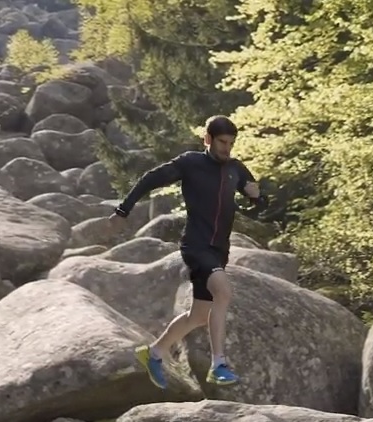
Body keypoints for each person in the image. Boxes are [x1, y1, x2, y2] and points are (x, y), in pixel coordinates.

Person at [108, 115, 266, 389]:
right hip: (196, 246)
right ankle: (219, 365)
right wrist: (124, 209)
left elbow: (259, 207)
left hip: (219, 250)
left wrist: (257, 196)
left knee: (200, 316)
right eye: (221, 142)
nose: (226, 148)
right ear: (207, 139)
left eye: (231, 143)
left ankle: (155, 352)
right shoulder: (191, 163)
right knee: (224, 292)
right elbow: (150, 179)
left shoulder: (236, 169)